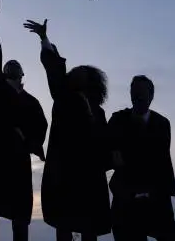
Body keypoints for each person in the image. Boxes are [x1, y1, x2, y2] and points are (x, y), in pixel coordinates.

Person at [24, 19, 112, 241]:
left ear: (91, 80)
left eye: (82, 71)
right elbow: (55, 70)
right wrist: (44, 39)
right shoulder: (64, 98)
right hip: (65, 173)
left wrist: (109, 159)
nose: (76, 71)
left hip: (90, 176)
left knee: (89, 229)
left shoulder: (98, 112)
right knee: (64, 226)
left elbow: (104, 143)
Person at [0, 0, 48, 241]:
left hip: (17, 161)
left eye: (16, 66)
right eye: (8, 65)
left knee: (20, 218)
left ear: (22, 73)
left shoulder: (32, 101)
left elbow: (40, 127)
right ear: (4, 71)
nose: (12, 67)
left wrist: (27, 140)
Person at [108, 75, 175, 241]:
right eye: (134, 93)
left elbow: (163, 160)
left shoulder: (162, 123)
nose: (137, 97)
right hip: (126, 201)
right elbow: (106, 151)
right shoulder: (118, 120)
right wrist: (113, 156)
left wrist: (168, 190)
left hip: (156, 200)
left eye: (142, 93)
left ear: (151, 96)